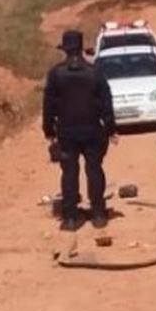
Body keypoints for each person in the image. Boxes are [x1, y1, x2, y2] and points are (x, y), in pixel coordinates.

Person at [43, 29, 118, 231]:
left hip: (66, 131)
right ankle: (98, 213)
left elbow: (48, 105)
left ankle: (70, 217)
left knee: (69, 172)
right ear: (81, 49)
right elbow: (105, 104)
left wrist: (48, 130)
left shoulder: (56, 74)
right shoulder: (95, 73)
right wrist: (111, 129)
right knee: (94, 170)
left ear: (65, 50)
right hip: (93, 129)